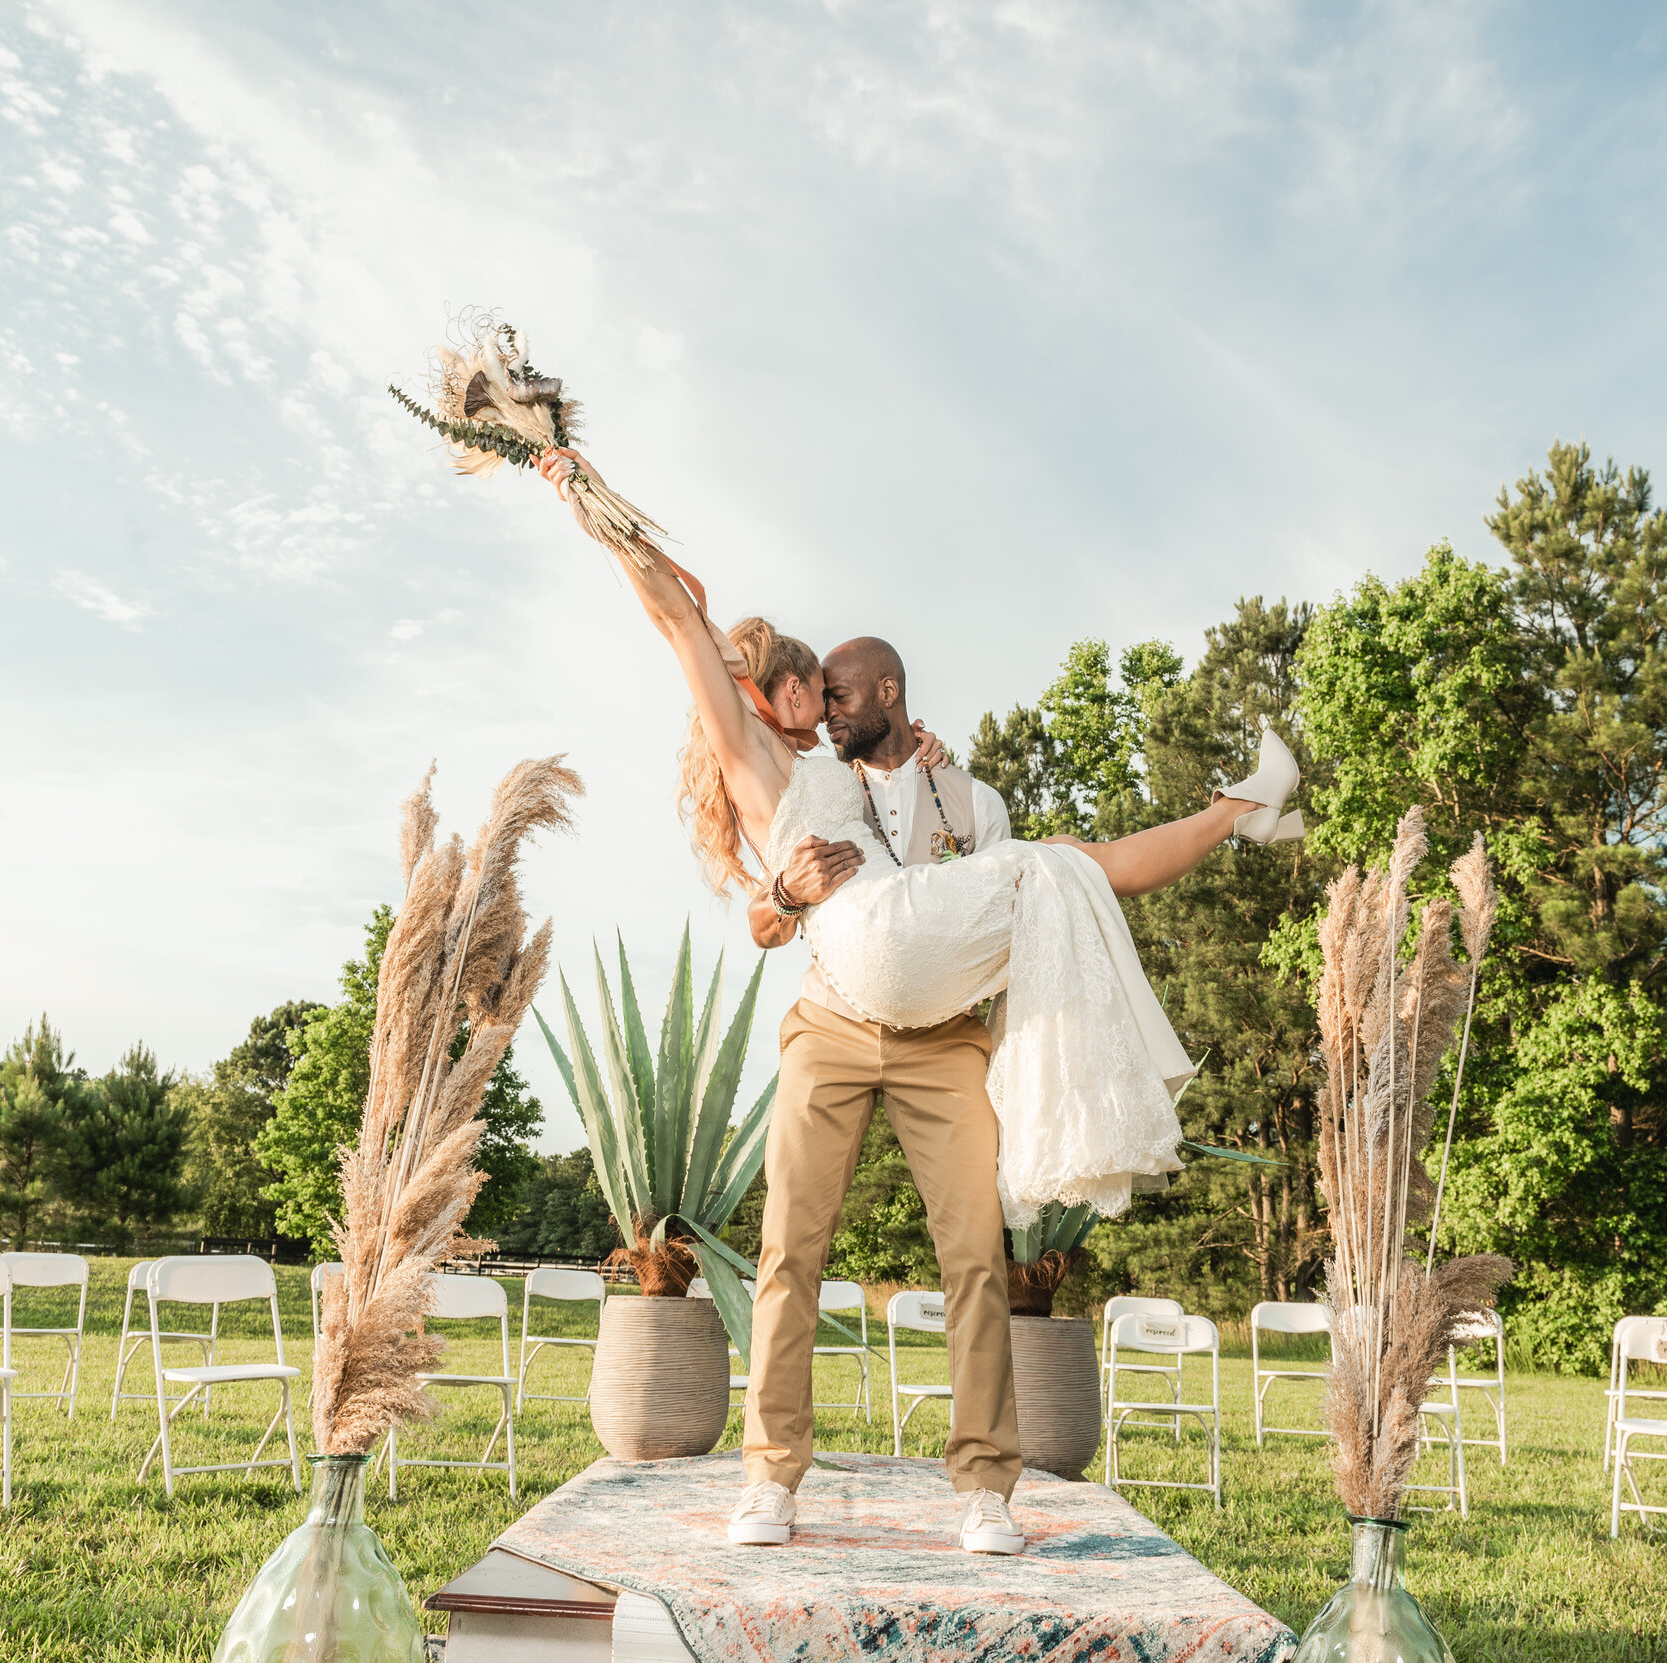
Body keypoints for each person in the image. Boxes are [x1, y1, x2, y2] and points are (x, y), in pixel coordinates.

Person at [534, 445, 1302, 1558]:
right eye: (803, 679)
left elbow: (963, 883)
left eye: (833, 685)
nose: (821, 697)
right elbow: (676, 623)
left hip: (941, 1035)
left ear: (879, 697)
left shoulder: (925, 780)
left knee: (975, 1256)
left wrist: (934, 794)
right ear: (766, 691)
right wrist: (579, 490)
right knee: (792, 1248)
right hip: (835, 1023)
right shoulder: (763, 762)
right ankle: (770, 1477)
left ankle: (986, 1489)